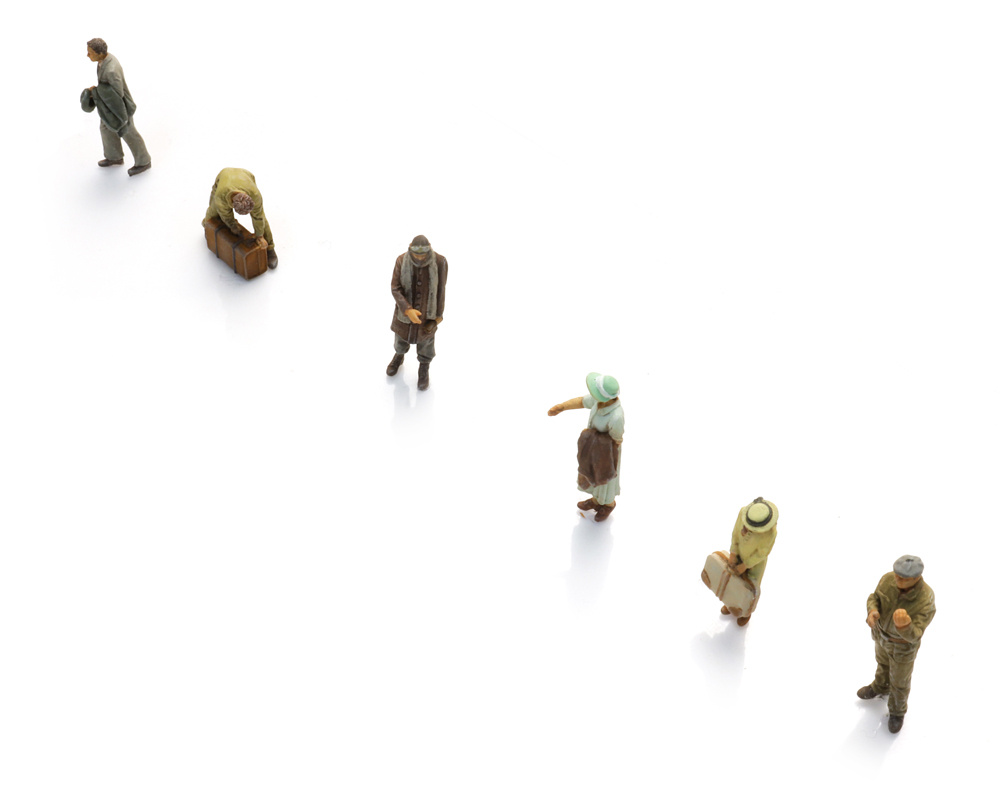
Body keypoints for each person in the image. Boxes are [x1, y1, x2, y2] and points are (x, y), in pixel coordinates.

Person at [857, 555, 936, 734]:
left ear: (916, 578)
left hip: (903, 647)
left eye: (903, 578)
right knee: (882, 664)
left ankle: (897, 712)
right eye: (896, 575)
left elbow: (916, 634)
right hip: (881, 636)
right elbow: (874, 597)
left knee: (900, 681)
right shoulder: (888, 580)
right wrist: (872, 611)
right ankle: (880, 686)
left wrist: (905, 627)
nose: (897, 579)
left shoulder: (926, 599)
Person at [547, 373, 624, 522]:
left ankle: (608, 504)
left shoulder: (617, 416)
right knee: (591, 475)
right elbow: (581, 401)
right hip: (593, 449)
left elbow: (616, 440)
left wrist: (595, 440)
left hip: (607, 454)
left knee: (606, 480)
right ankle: (596, 500)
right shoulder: (598, 401)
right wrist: (561, 407)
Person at [80, 38, 151, 176]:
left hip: (120, 108)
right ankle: (114, 156)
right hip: (108, 106)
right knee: (106, 128)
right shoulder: (103, 61)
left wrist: (95, 91)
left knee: (128, 132)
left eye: (90, 52)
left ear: (100, 53)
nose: (87, 55)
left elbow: (117, 94)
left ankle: (144, 161)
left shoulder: (111, 70)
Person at [386, 235, 448, 390]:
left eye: (423, 254)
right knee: (400, 339)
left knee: (426, 344)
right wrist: (407, 309)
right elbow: (395, 288)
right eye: (416, 254)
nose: (420, 257)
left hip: (427, 315)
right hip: (403, 315)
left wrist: (438, 317)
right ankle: (399, 356)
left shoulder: (440, 262)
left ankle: (424, 367)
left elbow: (441, 290)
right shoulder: (401, 260)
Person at [203, 168, 278, 269]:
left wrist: (259, 236)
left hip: (246, 176)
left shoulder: (255, 195)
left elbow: (258, 217)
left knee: (262, 220)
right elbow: (227, 215)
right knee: (213, 210)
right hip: (224, 175)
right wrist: (233, 226)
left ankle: (270, 248)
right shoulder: (221, 196)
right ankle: (207, 228)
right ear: (232, 204)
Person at [720, 497, 778, 626]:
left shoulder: (770, 533)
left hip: (754, 565)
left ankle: (746, 612)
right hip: (738, 555)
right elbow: (735, 534)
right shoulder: (742, 513)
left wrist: (745, 565)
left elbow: (762, 553)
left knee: (749, 590)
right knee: (732, 581)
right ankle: (730, 604)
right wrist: (733, 553)